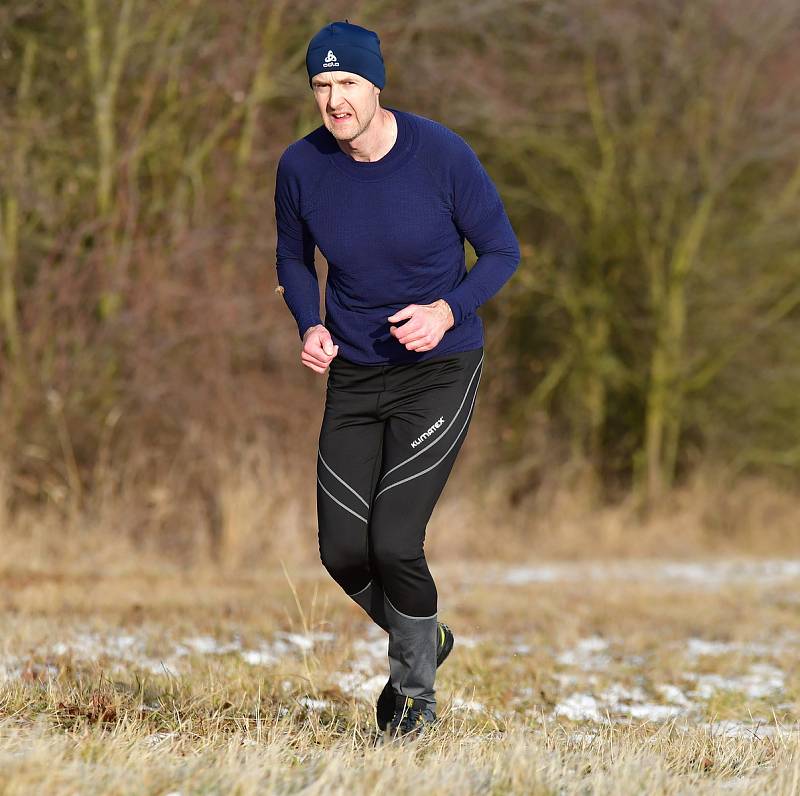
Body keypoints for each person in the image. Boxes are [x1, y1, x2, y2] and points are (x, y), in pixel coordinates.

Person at [274, 19, 521, 741]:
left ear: (376, 83)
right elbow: (294, 258)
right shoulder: (301, 166)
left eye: (347, 82)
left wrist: (449, 309)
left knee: (394, 540)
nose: (334, 99)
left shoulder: (441, 155)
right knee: (341, 549)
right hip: (354, 370)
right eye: (321, 85)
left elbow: (502, 252)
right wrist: (308, 324)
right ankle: (425, 639)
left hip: (438, 370)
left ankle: (415, 699)